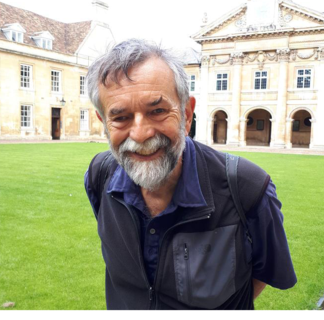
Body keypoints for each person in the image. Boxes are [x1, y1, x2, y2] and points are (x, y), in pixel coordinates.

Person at [83, 39, 297, 310]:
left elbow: (261, 276)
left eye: (157, 111)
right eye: (121, 117)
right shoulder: (99, 175)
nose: (140, 134)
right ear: (104, 124)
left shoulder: (247, 187)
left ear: (186, 115)